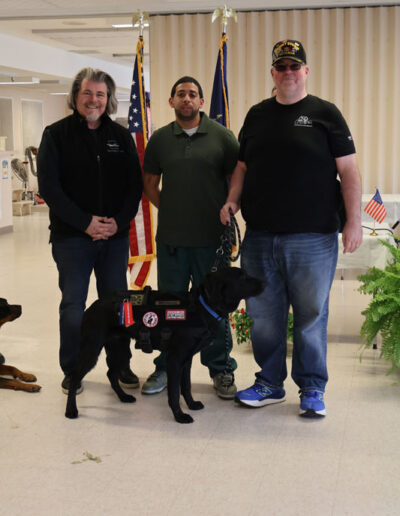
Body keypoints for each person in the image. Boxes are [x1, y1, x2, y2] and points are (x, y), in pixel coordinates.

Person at [220, 40, 362, 417]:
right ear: (273, 73)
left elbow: (348, 171)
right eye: (281, 67)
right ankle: (269, 382)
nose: (288, 72)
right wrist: (232, 199)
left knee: (311, 314)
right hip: (261, 236)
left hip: (313, 237)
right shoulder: (257, 115)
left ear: (305, 71)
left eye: (294, 66)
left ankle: (312, 388)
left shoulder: (325, 114)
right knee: (264, 314)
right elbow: (242, 167)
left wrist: (353, 221)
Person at [37, 67, 143, 394]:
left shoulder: (121, 136)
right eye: (87, 93)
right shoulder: (55, 135)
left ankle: (120, 365)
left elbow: (134, 186)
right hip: (72, 239)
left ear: (108, 99)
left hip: (113, 238)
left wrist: (118, 222)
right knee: (73, 305)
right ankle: (73, 369)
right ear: (76, 95)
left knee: (118, 304)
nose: (93, 100)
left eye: (100, 94)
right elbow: (50, 189)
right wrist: (86, 223)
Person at [142, 76, 240, 399]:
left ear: (200, 102)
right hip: (171, 241)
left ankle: (221, 369)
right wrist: (170, 210)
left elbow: (236, 180)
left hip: (212, 242)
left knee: (216, 309)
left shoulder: (222, 137)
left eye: (193, 94)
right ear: (171, 102)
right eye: (181, 94)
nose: (187, 99)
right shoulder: (159, 140)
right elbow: (151, 185)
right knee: (170, 306)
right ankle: (166, 366)